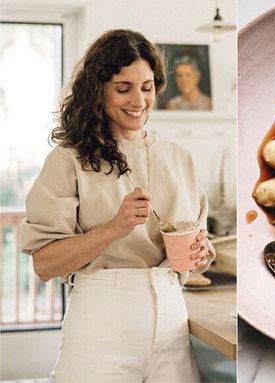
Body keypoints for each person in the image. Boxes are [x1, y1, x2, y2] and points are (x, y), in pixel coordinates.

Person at [20, 29, 215, 382]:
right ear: (98, 91)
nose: (138, 100)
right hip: (100, 330)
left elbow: (196, 249)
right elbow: (45, 263)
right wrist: (114, 228)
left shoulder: (180, 158)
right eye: (123, 88)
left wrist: (199, 254)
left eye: (147, 87)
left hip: (172, 323)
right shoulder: (69, 160)